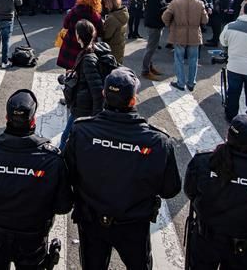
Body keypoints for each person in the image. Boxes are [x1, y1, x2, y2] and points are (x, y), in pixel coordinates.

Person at [64, 68, 182, 269]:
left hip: (91, 219)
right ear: (133, 100)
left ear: (103, 94)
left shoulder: (81, 129)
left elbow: (67, 174)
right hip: (133, 224)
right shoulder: (157, 141)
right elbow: (170, 189)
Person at [0, 89, 73, 269]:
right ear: (33, 120)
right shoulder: (52, 159)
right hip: (33, 237)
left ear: (6, 118)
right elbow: (63, 206)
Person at [184, 115, 247, 269]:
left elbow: (190, 192)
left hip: (205, 239)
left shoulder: (204, 162)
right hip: (242, 247)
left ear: (228, 136)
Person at [59, 19, 106, 149]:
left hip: (83, 108)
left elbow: (97, 90)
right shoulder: (90, 50)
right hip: (82, 105)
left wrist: (97, 118)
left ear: (79, 36)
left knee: (66, 139)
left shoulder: (87, 58)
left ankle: (61, 165)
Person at [163, 0, 208, 91]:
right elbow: (205, 20)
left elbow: (165, 17)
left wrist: (170, 25)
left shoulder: (175, 3)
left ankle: (181, 82)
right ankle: (191, 82)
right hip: (194, 33)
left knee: (179, 59)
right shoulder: (199, 3)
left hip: (178, 33)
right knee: (193, 59)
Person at [57, 0, 103, 70]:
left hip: (71, 44)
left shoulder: (74, 11)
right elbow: (100, 33)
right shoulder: (96, 16)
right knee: (83, 69)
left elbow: (65, 25)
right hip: (86, 46)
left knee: (69, 69)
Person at [141, 0, 174, 80]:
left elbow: (162, 4)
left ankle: (149, 67)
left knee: (153, 47)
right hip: (153, 23)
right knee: (151, 48)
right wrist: (168, 7)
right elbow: (155, 10)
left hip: (158, 23)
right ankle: (145, 71)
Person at [101, 0, 128, 64]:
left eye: (106, 4)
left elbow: (106, 36)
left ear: (111, 4)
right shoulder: (123, 13)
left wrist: (103, 25)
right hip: (120, 46)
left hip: (112, 49)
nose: (105, 6)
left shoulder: (112, 18)